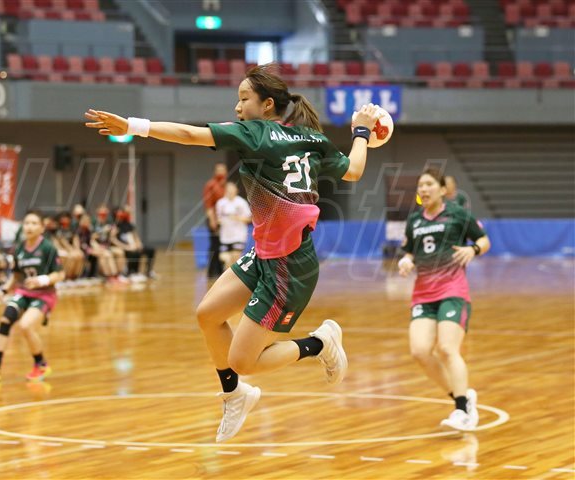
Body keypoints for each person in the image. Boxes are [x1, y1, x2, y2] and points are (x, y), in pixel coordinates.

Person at [85, 63, 381, 442]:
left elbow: (189, 135)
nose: (237, 107)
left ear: (267, 104)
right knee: (208, 314)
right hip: (266, 252)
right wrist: (361, 132)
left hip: (289, 265)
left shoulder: (255, 133)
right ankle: (235, 394)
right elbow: (354, 170)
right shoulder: (312, 138)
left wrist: (132, 126)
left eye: (244, 99)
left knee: (244, 361)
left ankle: (320, 343)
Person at [398, 167, 491, 431]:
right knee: (419, 352)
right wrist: (406, 260)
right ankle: (462, 397)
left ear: (442, 189)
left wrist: (473, 249)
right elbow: (409, 251)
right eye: (420, 185)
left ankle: (462, 411)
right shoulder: (414, 220)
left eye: (429, 184)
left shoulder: (458, 214)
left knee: (447, 349)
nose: (423, 189)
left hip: (453, 291)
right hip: (423, 294)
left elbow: (484, 240)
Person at [0, 210, 65, 382]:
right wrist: (3, 291)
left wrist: (41, 280)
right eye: (26, 223)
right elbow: (17, 276)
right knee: (5, 319)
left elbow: (60, 274)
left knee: (25, 326)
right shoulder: (19, 248)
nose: (29, 227)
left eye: (34, 223)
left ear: (42, 228)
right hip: (24, 293)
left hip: (44, 295)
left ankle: (41, 364)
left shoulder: (47, 248)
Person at [110, 206, 156, 281]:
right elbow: (113, 240)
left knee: (150, 250)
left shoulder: (128, 224)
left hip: (133, 246)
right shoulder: (114, 226)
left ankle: (148, 271)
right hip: (124, 247)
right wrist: (126, 247)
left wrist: (139, 244)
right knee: (134, 252)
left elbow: (135, 236)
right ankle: (133, 272)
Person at [216, 182, 252, 269]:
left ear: (236, 190)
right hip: (225, 236)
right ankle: (229, 270)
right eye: (228, 189)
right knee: (224, 257)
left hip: (238, 235)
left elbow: (249, 219)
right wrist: (219, 221)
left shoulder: (241, 202)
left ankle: (229, 274)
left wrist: (237, 218)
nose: (230, 191)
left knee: (235, 257)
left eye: (232, 189)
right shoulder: (221, 203)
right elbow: (218, 218)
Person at [203, 163, 227, 278]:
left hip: (225, 221)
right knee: (215, 245)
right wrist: (212, 220)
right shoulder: (210, 185)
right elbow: (208, 205)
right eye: (219, 170)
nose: (221, 172)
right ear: (215, 171)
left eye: (223, 170)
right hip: (214, 220)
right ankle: (211, 271)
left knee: (223, 245)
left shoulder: (226, 185)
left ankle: (220, 270)